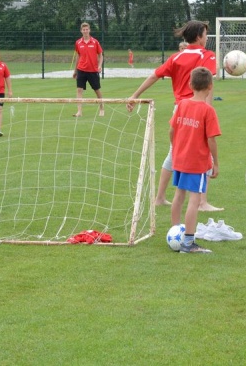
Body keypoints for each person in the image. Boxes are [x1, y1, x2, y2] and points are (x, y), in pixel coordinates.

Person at [127, 20, 222, 212]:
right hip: (197, 109)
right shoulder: (207, 55)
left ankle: (160, 197)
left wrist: (135, 95)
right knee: (203, 152)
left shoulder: (176, 57)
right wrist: (208, 108)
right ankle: (202, 202)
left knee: (174, 152)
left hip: (179, 110)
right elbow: (208, 83)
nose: (206, 37)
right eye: (205, 34)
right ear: (198, 36)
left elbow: (154, 76)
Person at [169, 67, 221, 254]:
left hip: (179, 158)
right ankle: (188, 243)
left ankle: (174, 232)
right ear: (210, 86)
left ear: (190, 85)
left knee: (178, 195)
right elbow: (211, 139)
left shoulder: (182, 104)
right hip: (196, 162)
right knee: (195, 199)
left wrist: (176, 148)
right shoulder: (208, 110)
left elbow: (172, 130)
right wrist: (216, 162)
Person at [72, 22, 105, 117]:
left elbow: (101, 55)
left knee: (97, 90)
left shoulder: (95, 42)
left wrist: (99, 66)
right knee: (79, 90)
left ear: (89, 30)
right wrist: (75, 71)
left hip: (93, 70)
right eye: (84, 30)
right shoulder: (78, 42)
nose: (85, 31)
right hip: (81, 69)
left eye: (87, 29)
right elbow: (78, 56)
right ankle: (79, 111)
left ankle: (102, 108)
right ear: (81, 31)